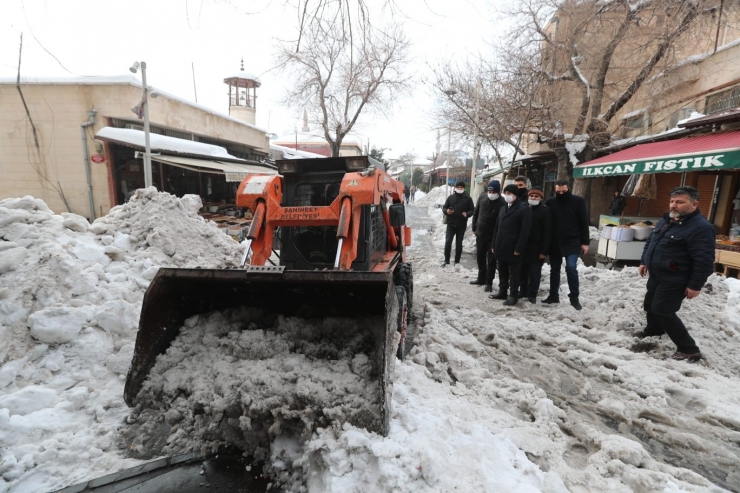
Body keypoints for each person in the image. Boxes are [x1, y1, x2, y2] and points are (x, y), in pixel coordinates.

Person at [636, 186, 715, 362]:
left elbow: (704, 261)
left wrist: (695, 285)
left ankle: (689, 349)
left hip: (675, 277)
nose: (674, 205)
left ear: (694, 204)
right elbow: (651, 241)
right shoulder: (667, 220)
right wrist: (644, 261)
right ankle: (654, 331)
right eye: (672, 201)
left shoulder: (701, 228)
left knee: (663, 310)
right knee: (650, 305)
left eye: (680, 202)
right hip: (657, 274)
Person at [543, 179, 590, 310]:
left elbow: (584, 222)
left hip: (573, 240)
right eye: (558, 192)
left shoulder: (578, 201)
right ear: (555, 190)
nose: (561, 193)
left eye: (564, 191)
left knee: (570, 267)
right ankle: (553, 295)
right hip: (555, 241)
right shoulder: (550, 202)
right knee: (554, 270)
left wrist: (585, 242)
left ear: (568, 188)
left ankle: (574, 297)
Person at [490, 184, 532, 306]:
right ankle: (502, 291)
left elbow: (525, 232)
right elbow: (497, 228)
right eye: (506, 193)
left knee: (514, 273)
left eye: (510, 194)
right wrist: (494, 244)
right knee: (502, 271)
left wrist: (519, 248)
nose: (507, 196)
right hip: (501, 245)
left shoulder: (523, 209)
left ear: (515, 195)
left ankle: (513, 294)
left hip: (514, 247)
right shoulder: (503, 208)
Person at [470, 180, 506, 291]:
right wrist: (474, 227)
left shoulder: (502, 202)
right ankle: (481, 278)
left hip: (492, 236)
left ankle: (489, 282)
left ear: (498, 191)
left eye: (494, 191)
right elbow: (476, 213)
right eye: (490, 191)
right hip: (480, 233)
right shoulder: (482, 198)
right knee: (480, 257)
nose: (491, 193)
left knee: (491, 260)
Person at [519, 187, 552, 304]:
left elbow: (547, 232)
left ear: (541, 198)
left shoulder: (545, 211)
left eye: (536, 197)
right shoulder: (523, 208)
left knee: (534, 272)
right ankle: (522, 291)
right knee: (522, 271)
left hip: (537, 248)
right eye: (531, 196)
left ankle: (532, 293)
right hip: (523, 246)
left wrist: (544, 250)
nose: (533, 198)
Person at [442, 181, 475, 267]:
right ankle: (446, 260)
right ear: (455, 188)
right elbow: (444, 207)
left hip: (461, 224)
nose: (459, 189)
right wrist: (447, 211)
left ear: (464, 189)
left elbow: (472, 210)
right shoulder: (451, 198)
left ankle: (457, 261)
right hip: (451, 224)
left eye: (461, 187)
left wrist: (467, 214)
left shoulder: (468, 199)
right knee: (448, 242)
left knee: (459, 243)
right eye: (458, 187)